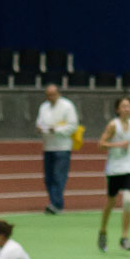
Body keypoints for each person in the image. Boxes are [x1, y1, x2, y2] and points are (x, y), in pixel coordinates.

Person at [97, 97, 130, 253]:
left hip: (129, 168)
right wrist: (117, 145)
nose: (127, 109)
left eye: (129, 106)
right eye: (123, 106)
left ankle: (124, 237)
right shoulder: (113, 126)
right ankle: (102, 230)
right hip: (114, 169)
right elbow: (101, 144)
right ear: (117, 110)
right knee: (111, 203)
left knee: (128, 201)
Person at [35, 83, 78, 215]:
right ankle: (53, 202)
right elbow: (39, 122)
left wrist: (56, 130)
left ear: (58, 94)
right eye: (48, 95)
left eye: (52, 94)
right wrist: (40, 128)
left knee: (59, 176)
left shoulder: (67, 106)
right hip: (48, 146)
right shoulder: (44, 107)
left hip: (62, 146)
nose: (50, 97)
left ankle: (56, 204)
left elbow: (73, 126)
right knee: (48, 177)